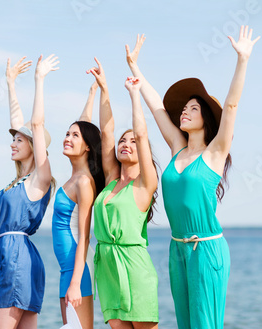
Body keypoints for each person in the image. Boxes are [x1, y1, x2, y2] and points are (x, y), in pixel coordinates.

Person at [125, 26, 260, 328]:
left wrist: (242, 59)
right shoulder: (177, 148)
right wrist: (135, 68)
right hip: (178, 249)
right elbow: (157, 106)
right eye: (184, 108)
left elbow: (232, 107)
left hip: (207, 249)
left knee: (205, 324)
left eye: (193, 108)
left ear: (206, 118)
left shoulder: (215, 153)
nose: (184, 112)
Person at [88, 58, 159, 329]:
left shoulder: (145, 184)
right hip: (108, 268)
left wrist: (134, 95)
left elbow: (142, 135)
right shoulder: (110, 180)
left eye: (131, 142)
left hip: (134, 266)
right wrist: (104, 88)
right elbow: (106, 132)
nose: (125, 144)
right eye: (122, 141)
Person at [0, 54, 58, 329]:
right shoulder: (20, 180)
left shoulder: (39, 179)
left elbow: (36, 125)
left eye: (19, 141)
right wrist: (10, 84)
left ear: (34, 146)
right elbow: (19, 123)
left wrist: (39, 80)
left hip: (18, 261)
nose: (12, 144)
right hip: (18, 259)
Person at [51, 80, 104, 329]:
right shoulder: (74, 176)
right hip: (68, 268)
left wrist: (75, 282)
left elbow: (84, 236)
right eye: (67, 133)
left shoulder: (83, 182)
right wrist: (91, 92)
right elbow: (85, 124)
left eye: (74, 136)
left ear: (87, 147)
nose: (67, 138)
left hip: (77, 268)